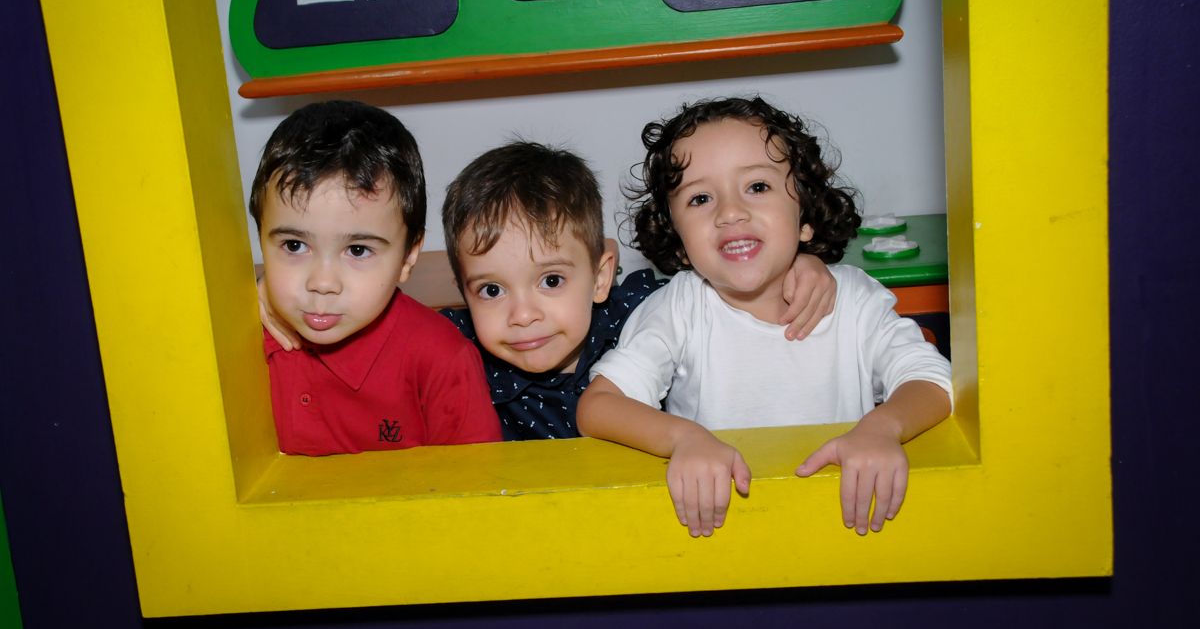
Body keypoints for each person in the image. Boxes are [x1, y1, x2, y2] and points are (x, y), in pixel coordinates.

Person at [576, 97, 953, 538]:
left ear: (805, 219)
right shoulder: (680, 308)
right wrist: (683, 438)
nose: (730, 211)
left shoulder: (853, 299)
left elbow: (936, 380)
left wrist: (883, 428)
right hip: (722, 534)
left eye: (757, 186)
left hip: (846, 528)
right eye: (700, 198)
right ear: (679, 241)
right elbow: (597, 408)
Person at [438, 141, 839, 441]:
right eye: (491, 290)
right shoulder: (452, 351)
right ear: (464, 291)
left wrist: (799, 264)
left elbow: (720, 282)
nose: (522, 315)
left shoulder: (638, 310)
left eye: (552, 281)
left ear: (600, 278)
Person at [251, 100, 501, 456]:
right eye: (294, 245)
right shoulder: (236, 327)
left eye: (357, 250)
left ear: (408, 256)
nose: (322, 283)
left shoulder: (443, 359)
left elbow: (479, 490)